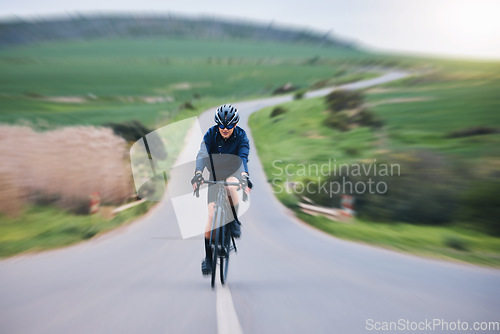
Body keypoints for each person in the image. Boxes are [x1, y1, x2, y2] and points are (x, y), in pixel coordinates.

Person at [191, 104, 253, 276]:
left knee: (231, 185)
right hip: (215, 175)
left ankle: (233, 222)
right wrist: (198, 173)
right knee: (211, 215)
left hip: (233, 173)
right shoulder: (211, 134)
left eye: (230, 126)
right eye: (222, 126)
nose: (225, 129)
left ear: (235, 124)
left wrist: (245, 175)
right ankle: (209, 258)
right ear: (217, 124)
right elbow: (202, 154)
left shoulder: (241, 136)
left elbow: (243, 157)